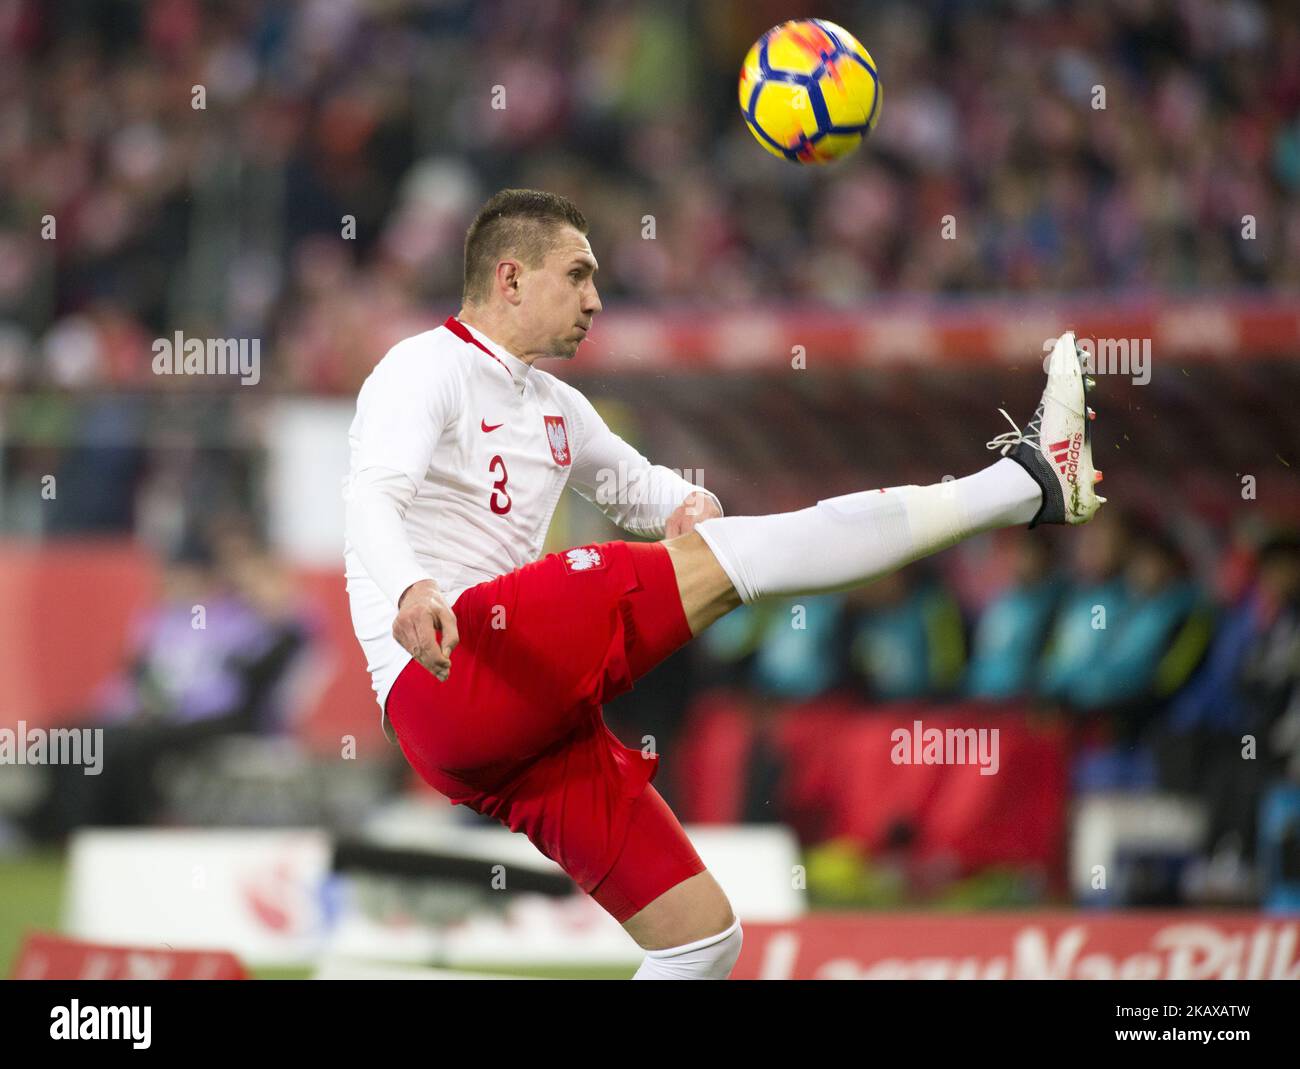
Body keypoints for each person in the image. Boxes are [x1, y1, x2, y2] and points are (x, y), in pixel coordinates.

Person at [342, 188, 1105, 980]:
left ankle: (1033, 484)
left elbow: (640, 487)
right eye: (577, 275)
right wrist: (408, 589)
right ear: (510, 278)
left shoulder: (559, 407)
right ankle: (1026, 484)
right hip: (455, 663)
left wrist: (686, 501)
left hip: (511, 722)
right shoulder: (422, 367)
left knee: (703, 939)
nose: (596, 300)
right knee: (740, 559)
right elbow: (371, 494)